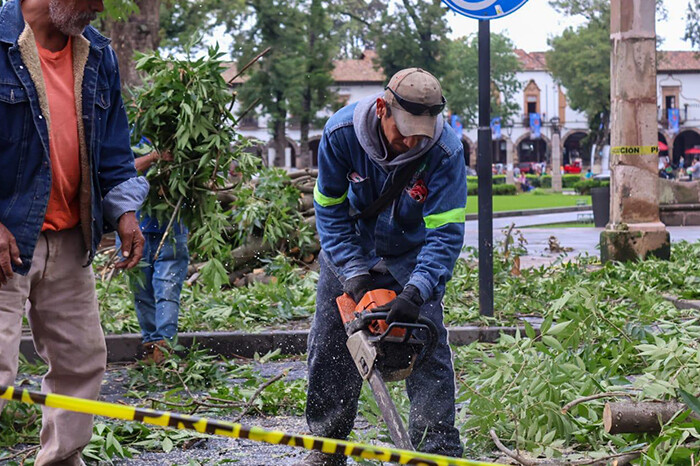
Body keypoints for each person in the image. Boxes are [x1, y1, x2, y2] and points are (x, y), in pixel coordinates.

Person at [0, 1, 149, 465]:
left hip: (68, 237)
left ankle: (63, 461)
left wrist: (124, 212)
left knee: (81, 362)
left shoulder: (98, 54)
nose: (99, 7)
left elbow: (113, 147)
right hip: (5, 240)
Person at [297, 68, 465, 466]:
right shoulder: (340, 135)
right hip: (351, 246)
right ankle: (328, 444)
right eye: (404, 130)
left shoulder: (445, 153)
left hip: (411, 255)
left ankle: (435, 451)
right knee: (331, 341)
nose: (411, 142)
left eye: (420, 133)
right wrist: (353, 275)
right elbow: (330, 211)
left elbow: (445, 234)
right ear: (381, 110)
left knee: (427, 343)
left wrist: (416, 291)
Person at [119, 148, 189, 364]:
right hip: (133, 226)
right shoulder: (127, 133)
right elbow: (119, 172)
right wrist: (153, 157)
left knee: (166, 286)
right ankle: (152, 345)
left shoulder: (180, 136)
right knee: (142, 290)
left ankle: (164, 345)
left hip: (172, 225)